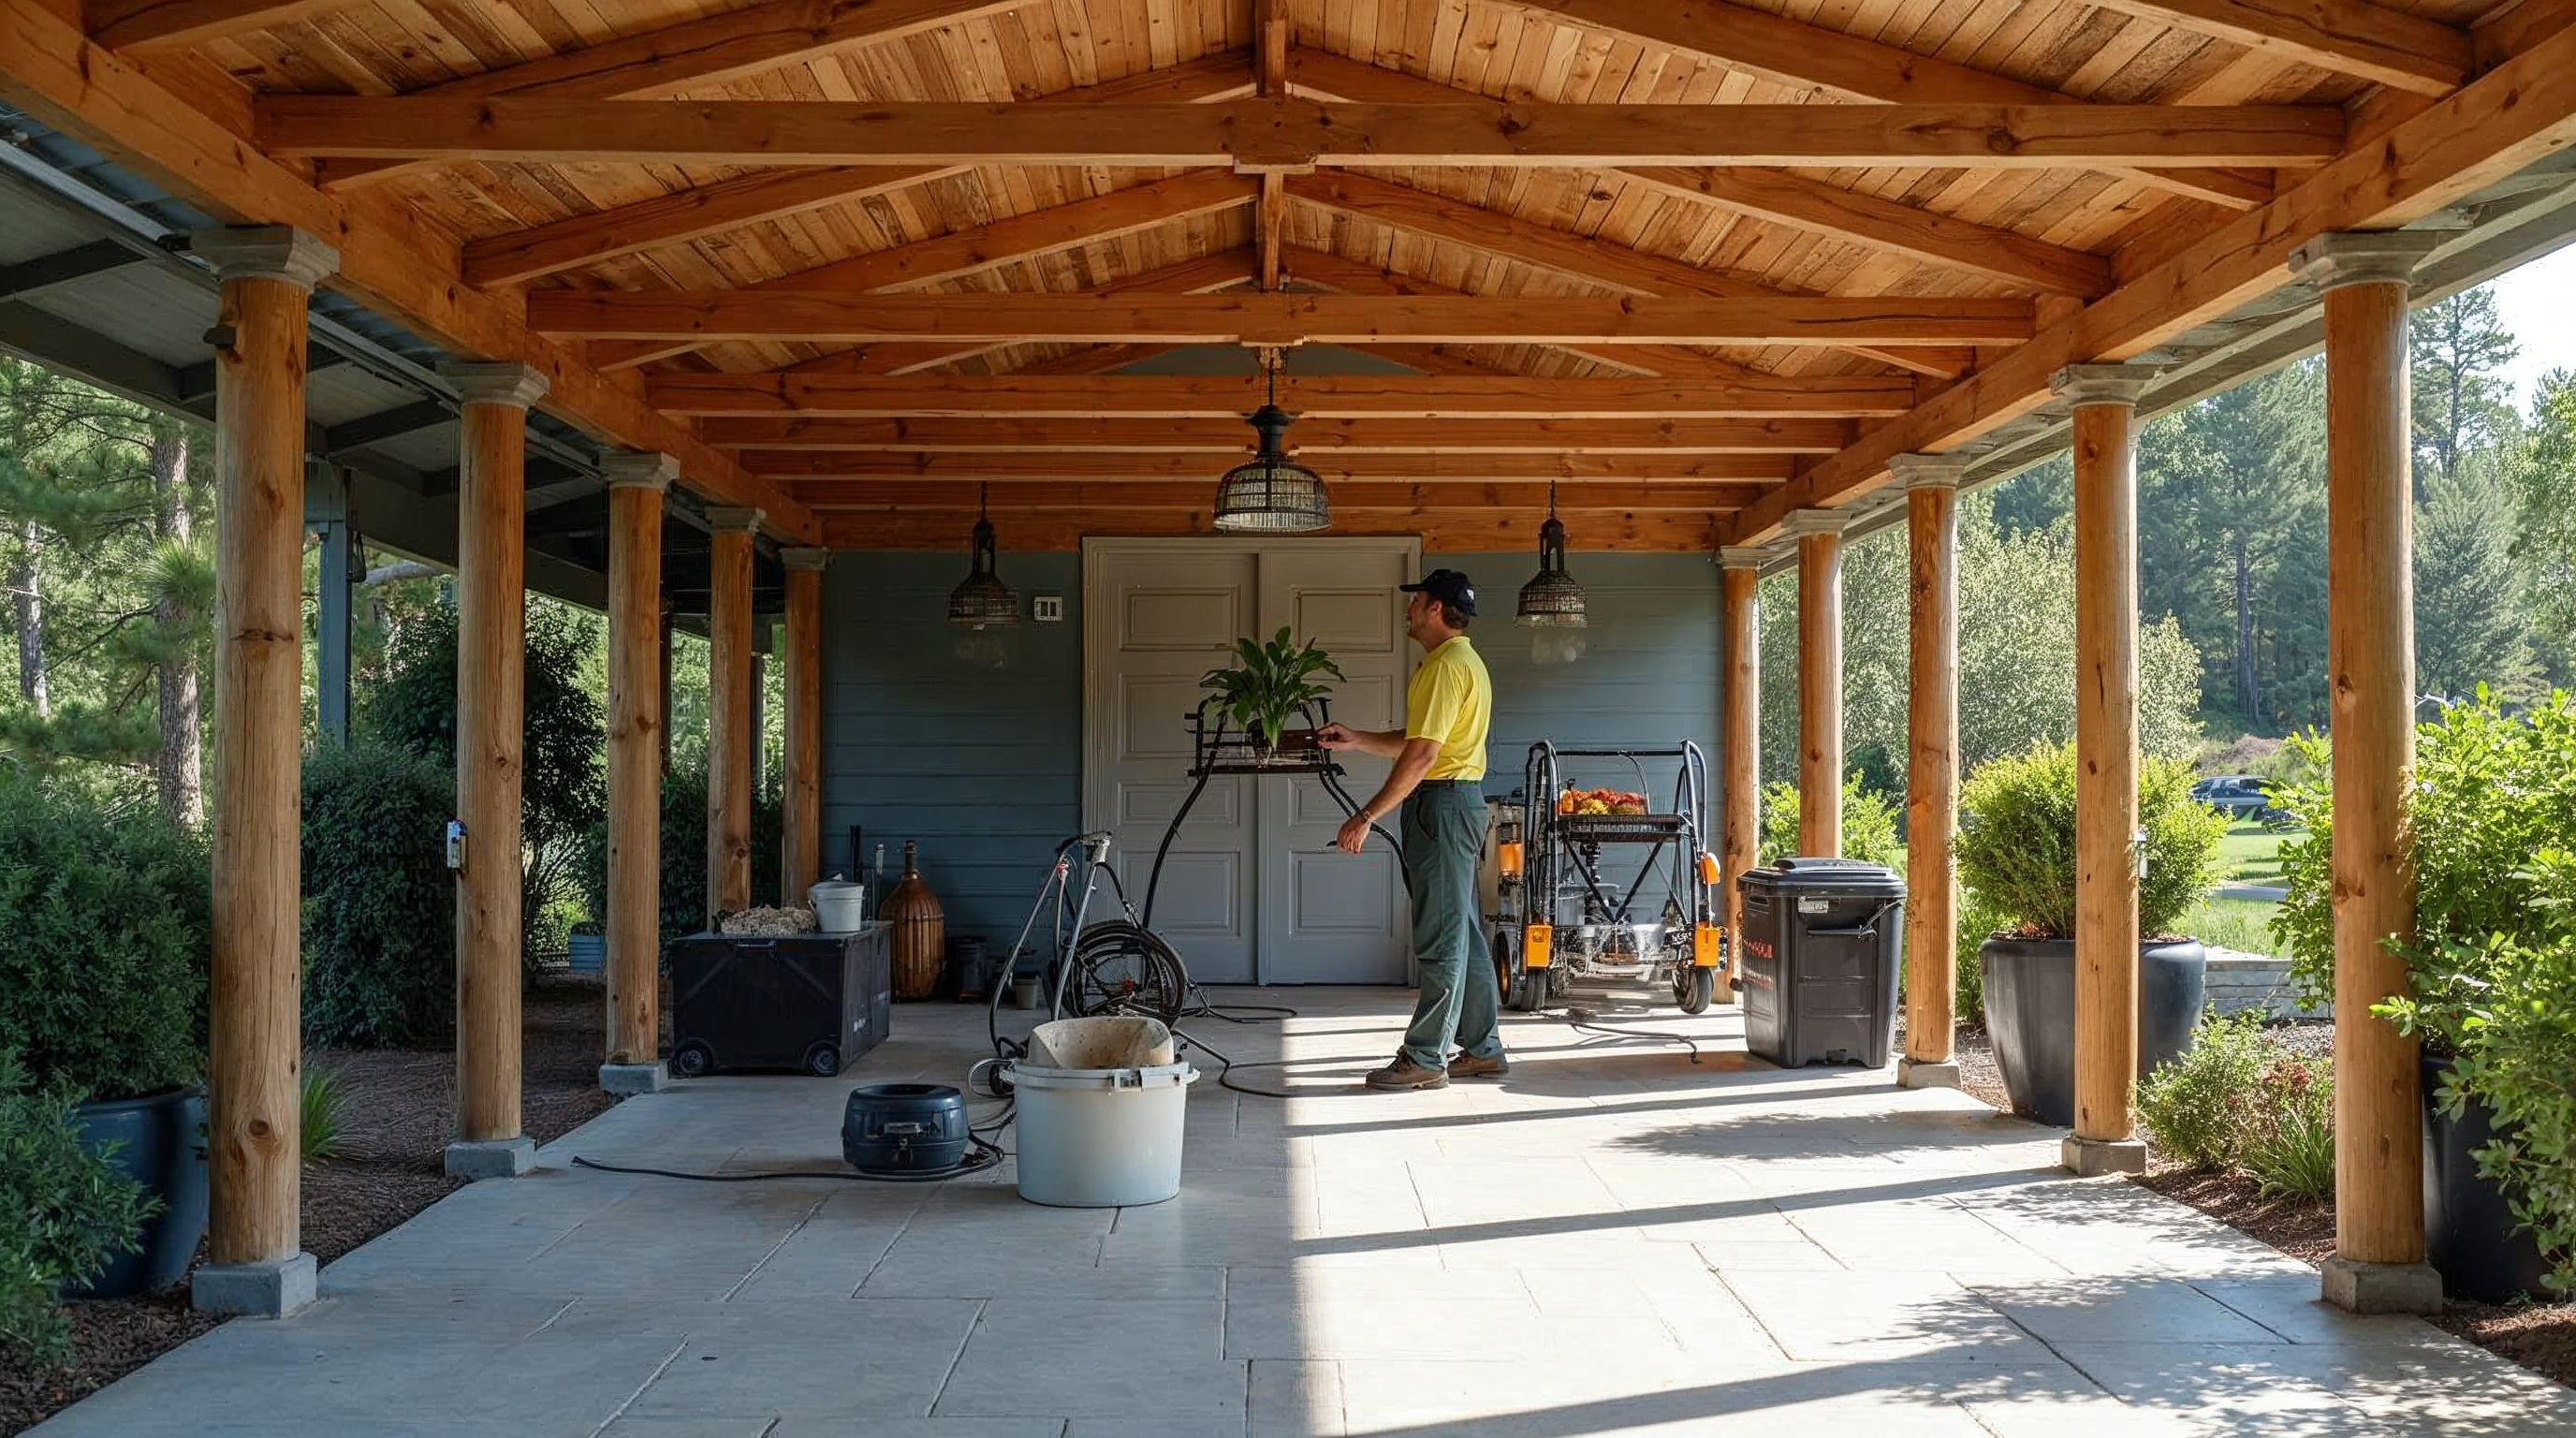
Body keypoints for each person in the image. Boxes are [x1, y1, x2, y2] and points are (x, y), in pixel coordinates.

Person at [1316, 569, 1506, 1091]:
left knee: (1441, 935)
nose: (1408, 608)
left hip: (1442, 806)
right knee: (1462, 930)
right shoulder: (1456, 662)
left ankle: (1425, 1057)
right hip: (1453, 803)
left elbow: (1424, 755)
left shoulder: (1447, 667)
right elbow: (1420, 739)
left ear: (1437, 609)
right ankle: (1484, 1049)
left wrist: (1365, 815)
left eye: (1416, 600)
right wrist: (1357, 740)